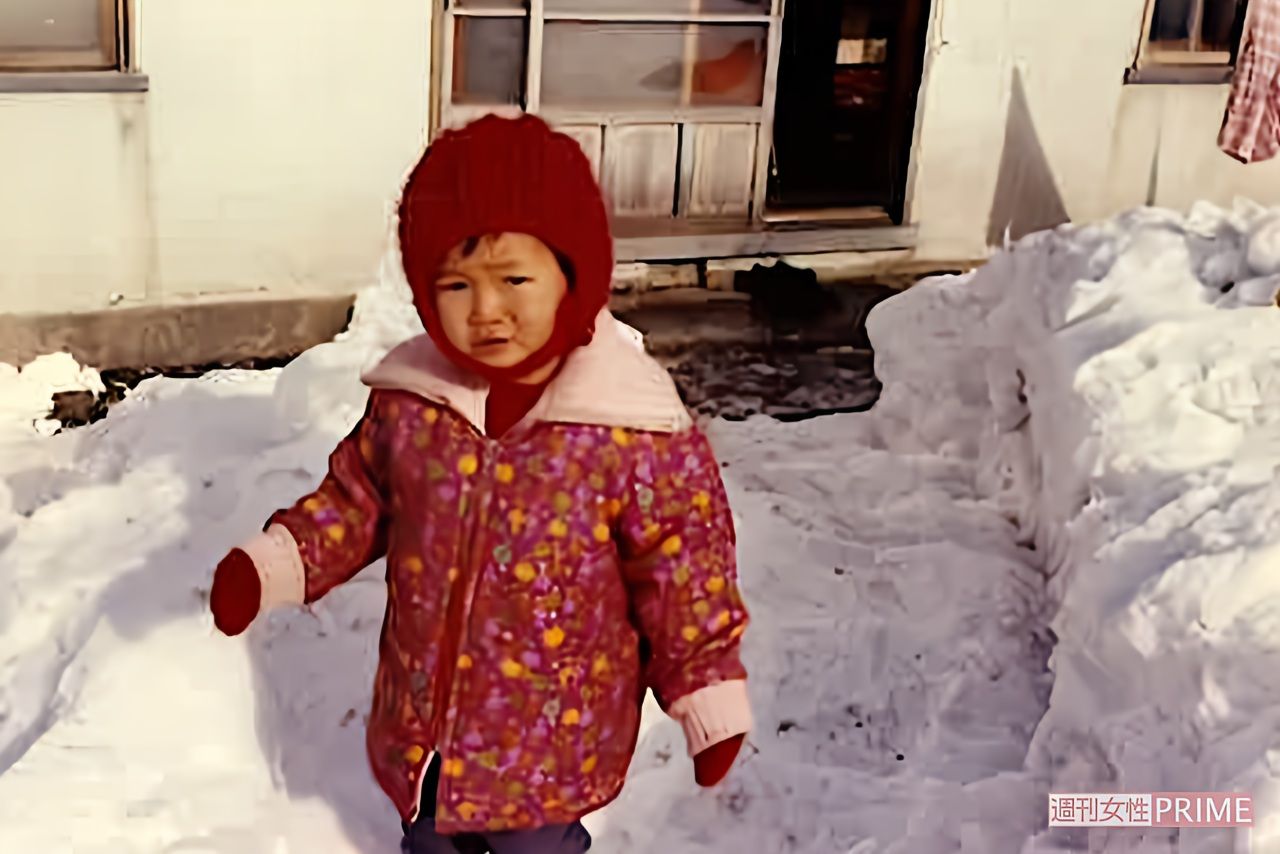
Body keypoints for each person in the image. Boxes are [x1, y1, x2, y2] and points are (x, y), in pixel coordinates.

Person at [208, 114, 753, 853]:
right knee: (429, 840)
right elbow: (356, 501)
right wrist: (276, 562)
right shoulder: (415, 403)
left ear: (574, 272)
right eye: (456, 285)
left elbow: (683, 569)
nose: (486, 310)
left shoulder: (630, 426)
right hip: (428, 725)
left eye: (513, 279)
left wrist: (704, 692)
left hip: (550, 747)